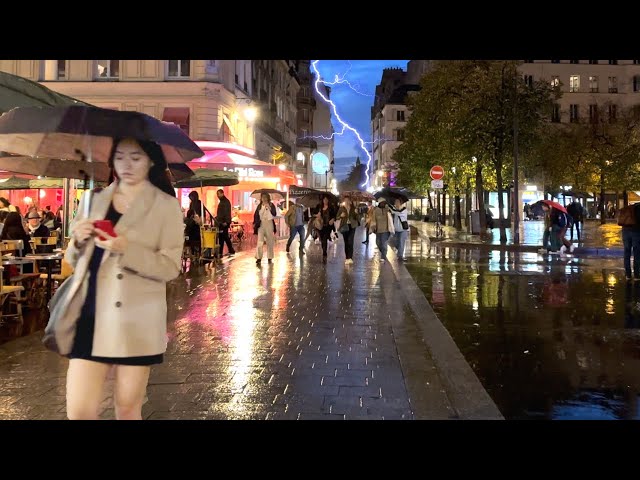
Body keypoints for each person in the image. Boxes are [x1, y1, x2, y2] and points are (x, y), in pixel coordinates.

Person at [59, 137, 184, 420]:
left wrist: (125, 248)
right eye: (120, 156)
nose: (126, 164)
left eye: (136, 157)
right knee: (79, 411)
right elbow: (73, 261)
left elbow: (170, 267)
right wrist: (77, 242)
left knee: (127, 409)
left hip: (136, 318)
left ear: (151, 161)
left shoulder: (165, 206)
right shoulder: (93, 200)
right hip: (90, 313)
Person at [253, 193, 277, 265]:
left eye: (265, 197)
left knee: (270, 241)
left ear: (268, 198)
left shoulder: (271, 205)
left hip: (269, 223)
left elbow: (274, 214)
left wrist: (269, 208)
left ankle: (270, 257)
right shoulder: (259, 206)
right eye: (263, 197)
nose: (264, 199)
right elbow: (256, 215)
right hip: (261, 224)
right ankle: (258, 257)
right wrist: (255, 223)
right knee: (260, 241)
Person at [336, 197, 360, 264]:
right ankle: (347, 257)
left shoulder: (353, 208)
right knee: (346, 242)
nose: (346, 201)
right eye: (345, 200)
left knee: (350, 241)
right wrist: (341, 215)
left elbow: (358, 218)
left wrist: (356, 213)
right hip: (344, 226)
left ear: (350, 201)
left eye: (348, 200)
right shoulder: (341, 208)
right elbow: (337, 217)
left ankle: (350, 257)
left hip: (352, 226)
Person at [370, 197, 394, 262]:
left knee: (384, 243)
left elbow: (392, 217)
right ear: (380, 203)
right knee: (378, 243)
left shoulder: (388, 210)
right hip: (378, 230)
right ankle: (383, 253)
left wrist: (389, 210)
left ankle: (383, 256)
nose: (383, 204)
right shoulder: (376, 210)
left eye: (384, 203)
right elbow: (373, 219)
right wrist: (373, 228)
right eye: (382, 203)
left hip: (386, 230)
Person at [621, 201, 640, 281]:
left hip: (625, 231)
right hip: (635, 231)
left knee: (627, 252)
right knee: (637, 253)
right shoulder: (639, 208)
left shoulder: (629, 208)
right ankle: (636, 275)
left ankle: (628, 275)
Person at [316, 194, 337, 263]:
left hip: (328, 226)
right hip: (320, 226)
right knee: (322, 239)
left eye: (326, 200)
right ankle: (324, 249)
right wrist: (317, 215)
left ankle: (324, 252)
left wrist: (333, 219)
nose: (325, 201)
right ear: (322, 200)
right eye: (324, 200)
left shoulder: (331, 208)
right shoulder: (319, 207)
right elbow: (313, 214)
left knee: (325, 238)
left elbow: (335, 215)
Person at [215, 189, 235, 257]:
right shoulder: (223, 202)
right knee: (224, 236)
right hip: (222, 221)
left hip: (223, 222)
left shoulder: (225, 202)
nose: (218, 195)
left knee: (223, 237)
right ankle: (230, 250)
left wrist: (226, 222)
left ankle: (222, 252)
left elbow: (226, 212)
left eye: (219, 194)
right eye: (217, 194)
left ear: (222, 193)